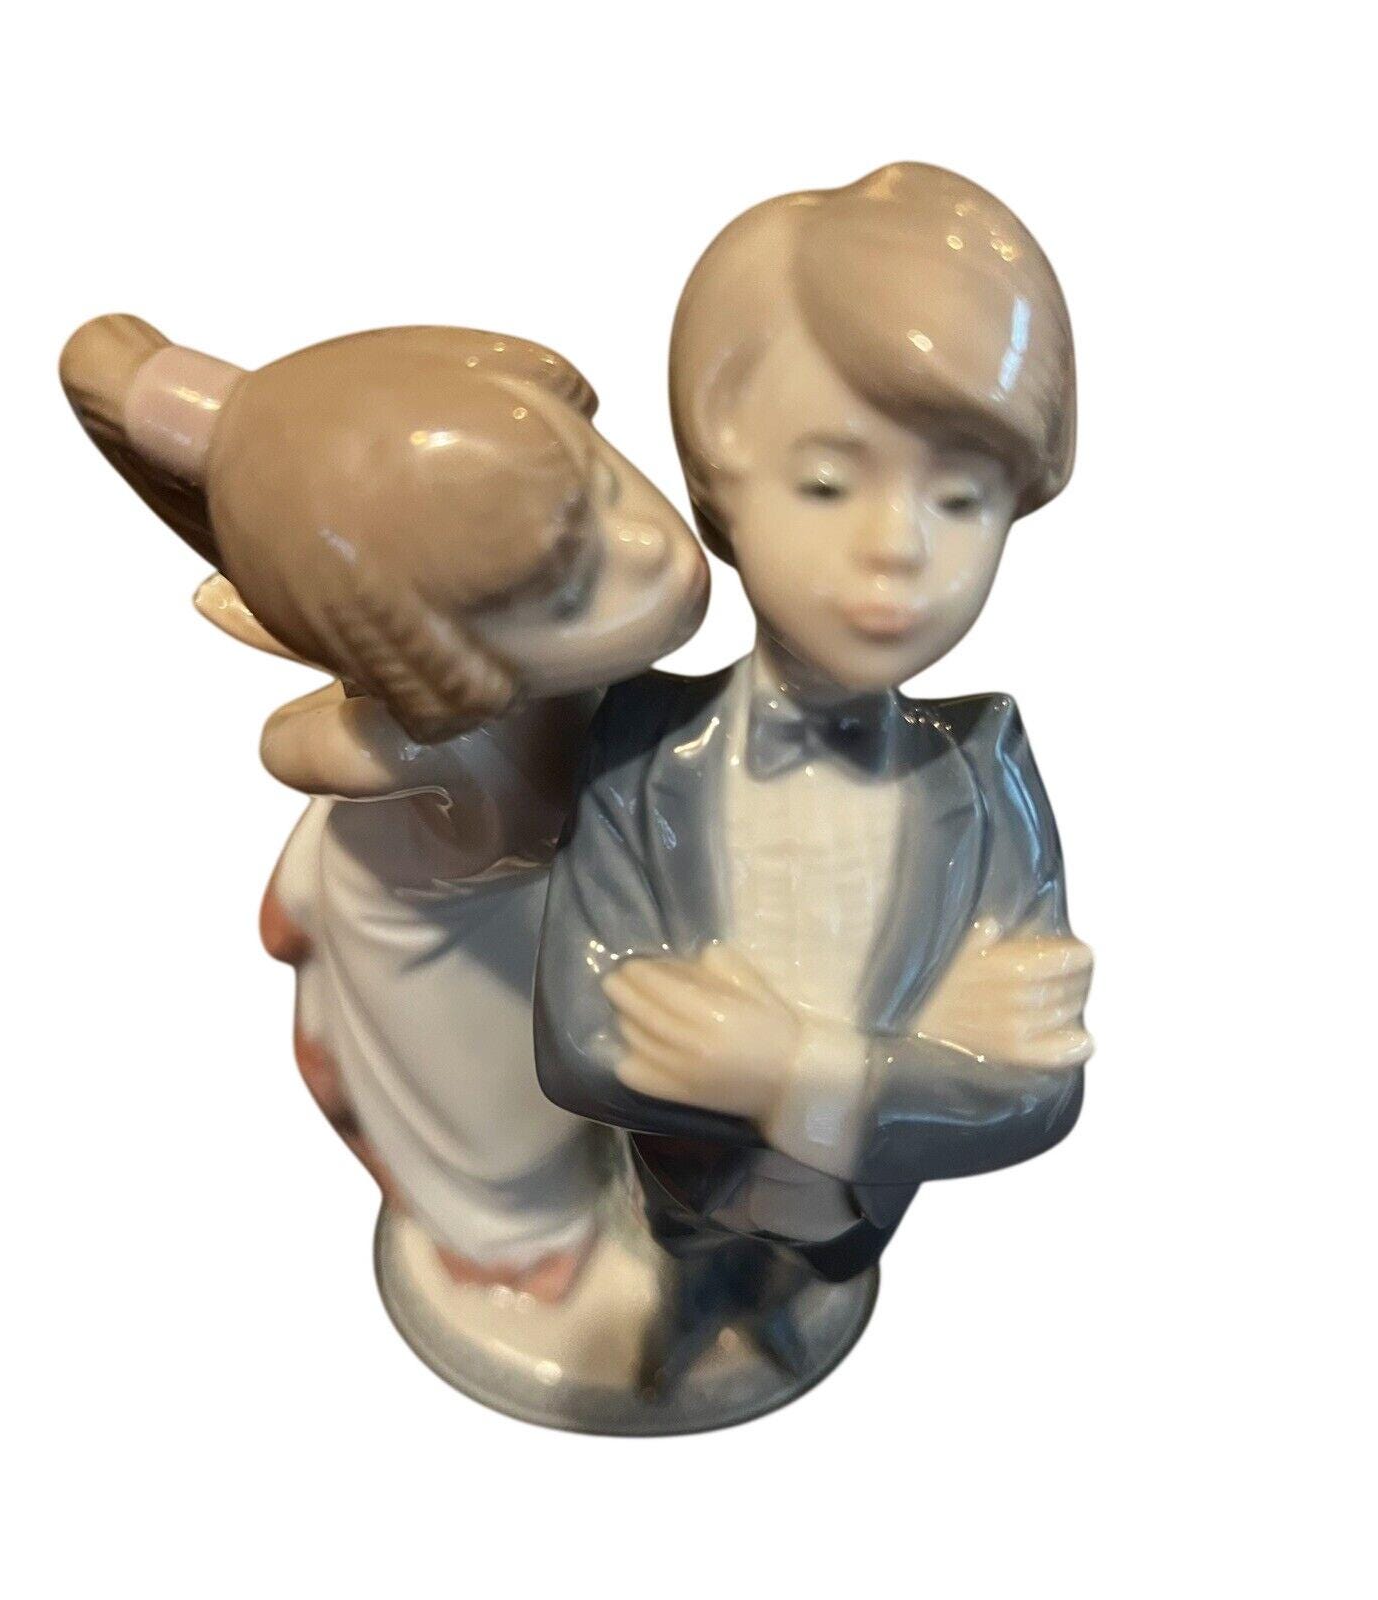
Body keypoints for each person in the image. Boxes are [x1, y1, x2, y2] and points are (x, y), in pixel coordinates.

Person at [534, 164, 1094, 1356]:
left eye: (961, 499)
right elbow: (584, 1038)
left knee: (810, 1292)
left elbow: (1037, 1089)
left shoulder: (985, 768)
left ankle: (785, 1311)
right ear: (720, 485)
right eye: (828, 482)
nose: (896, 545)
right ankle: (680, 1319)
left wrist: (789, 1070)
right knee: (674, 1283)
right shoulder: (639, 743)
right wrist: (920, 1054)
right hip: (678, 1182)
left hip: (861, 1205)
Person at [61, 319, 709, 1296]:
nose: (650, 549)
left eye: (604, 482)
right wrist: (362, 704)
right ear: (426, 653)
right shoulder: (427, 744)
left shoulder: (492, 705)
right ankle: (512, 1246)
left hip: (507, 898)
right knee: (492, 1119)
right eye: (564, 591)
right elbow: (284, 747)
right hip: (452, 944)